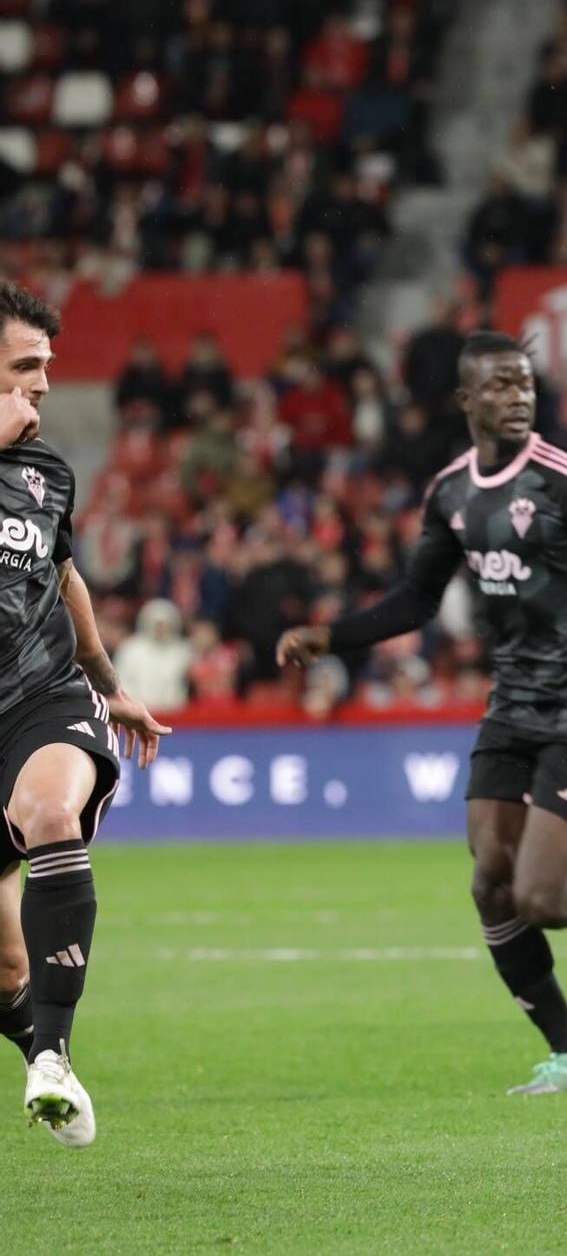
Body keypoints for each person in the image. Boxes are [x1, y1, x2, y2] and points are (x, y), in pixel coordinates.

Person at [277, 332, 567, 1095]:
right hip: (511, 703)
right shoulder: (452, 492)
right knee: (490, 878)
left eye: (525, 383)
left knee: (542, 899)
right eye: (500, 385)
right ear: (465, 400)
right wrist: (332, 636)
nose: (518, 396)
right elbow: (417, 600)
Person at [0, 281, 172, 1148]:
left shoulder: (46, 474)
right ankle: (36, 1037)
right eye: (23, 371)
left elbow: (62, 576)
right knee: (4, 969)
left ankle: (54, 1059)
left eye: (45, 373)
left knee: (49, 811)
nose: (41, 388)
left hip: (42, 700)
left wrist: (109, 681)